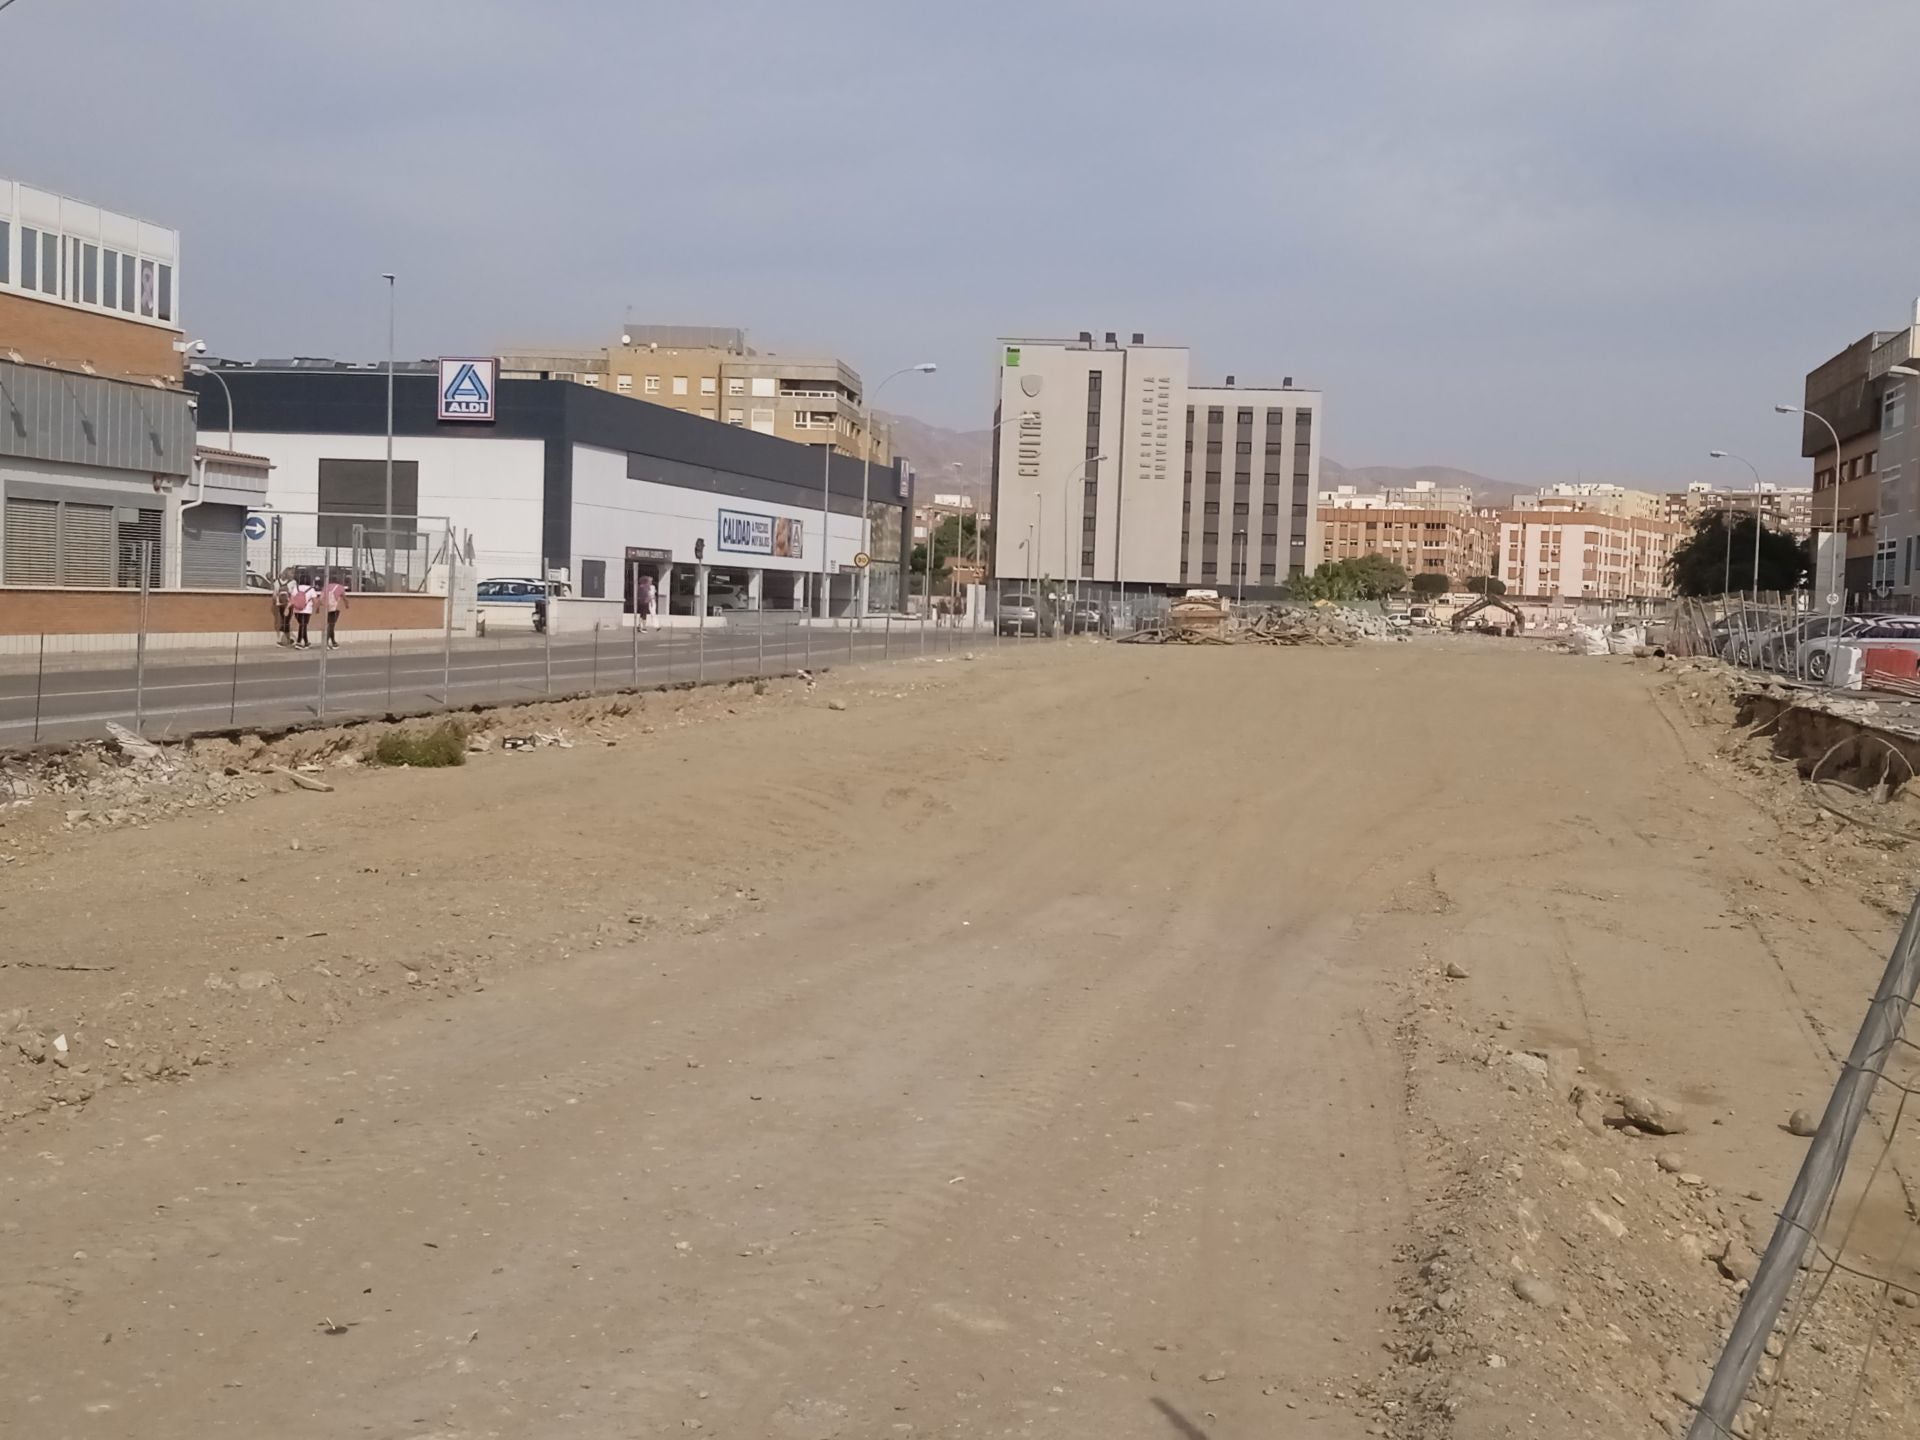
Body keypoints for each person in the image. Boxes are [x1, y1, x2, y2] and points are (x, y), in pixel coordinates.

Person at [290, 569, 318, 649]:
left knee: (302, 625)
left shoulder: (296, 588)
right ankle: (298, 642)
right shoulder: (311, 589)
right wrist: (318, 608)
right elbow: (315, 601)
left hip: (296, 610)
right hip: (307, 610)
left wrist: (287, 608)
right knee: (303, 625)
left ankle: (306, 642)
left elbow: (292, 599)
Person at [322, 575, 349, 649]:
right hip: (335, 608)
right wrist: (347, 605)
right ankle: (326, 643)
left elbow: (321, 597)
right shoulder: (340, 587)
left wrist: (319, 606)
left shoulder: (326, 587)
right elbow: (344, 598)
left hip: (327, 608)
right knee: (331, 625)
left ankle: (333, 642)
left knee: (330, 625)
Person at [273, 570, 293, 646]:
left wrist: (276, 603)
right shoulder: (292, 582)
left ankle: (288, 639)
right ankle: (280, 641)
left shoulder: (276, 582)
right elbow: (293, 594)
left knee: (284, 620)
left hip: (280, 604)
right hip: (288, 604)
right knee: (286, 621)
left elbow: (274, 594)